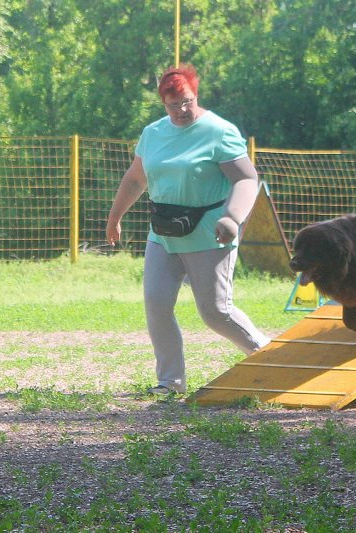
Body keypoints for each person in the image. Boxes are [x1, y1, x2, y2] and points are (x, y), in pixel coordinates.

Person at [106, 63, 270, 395]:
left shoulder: (219, 131)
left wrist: (232, 218)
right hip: (163, 234)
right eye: (173, 105)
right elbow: (136, 179)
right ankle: (170, 382)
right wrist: (114, 217)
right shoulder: (153, 134)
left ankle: (271, 359)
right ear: (163, 103)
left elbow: (246, 179)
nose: (182, 110)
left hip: (209, 234)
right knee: (156, 303)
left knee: (215, 312)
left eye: (187, 101)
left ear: (196, 94)